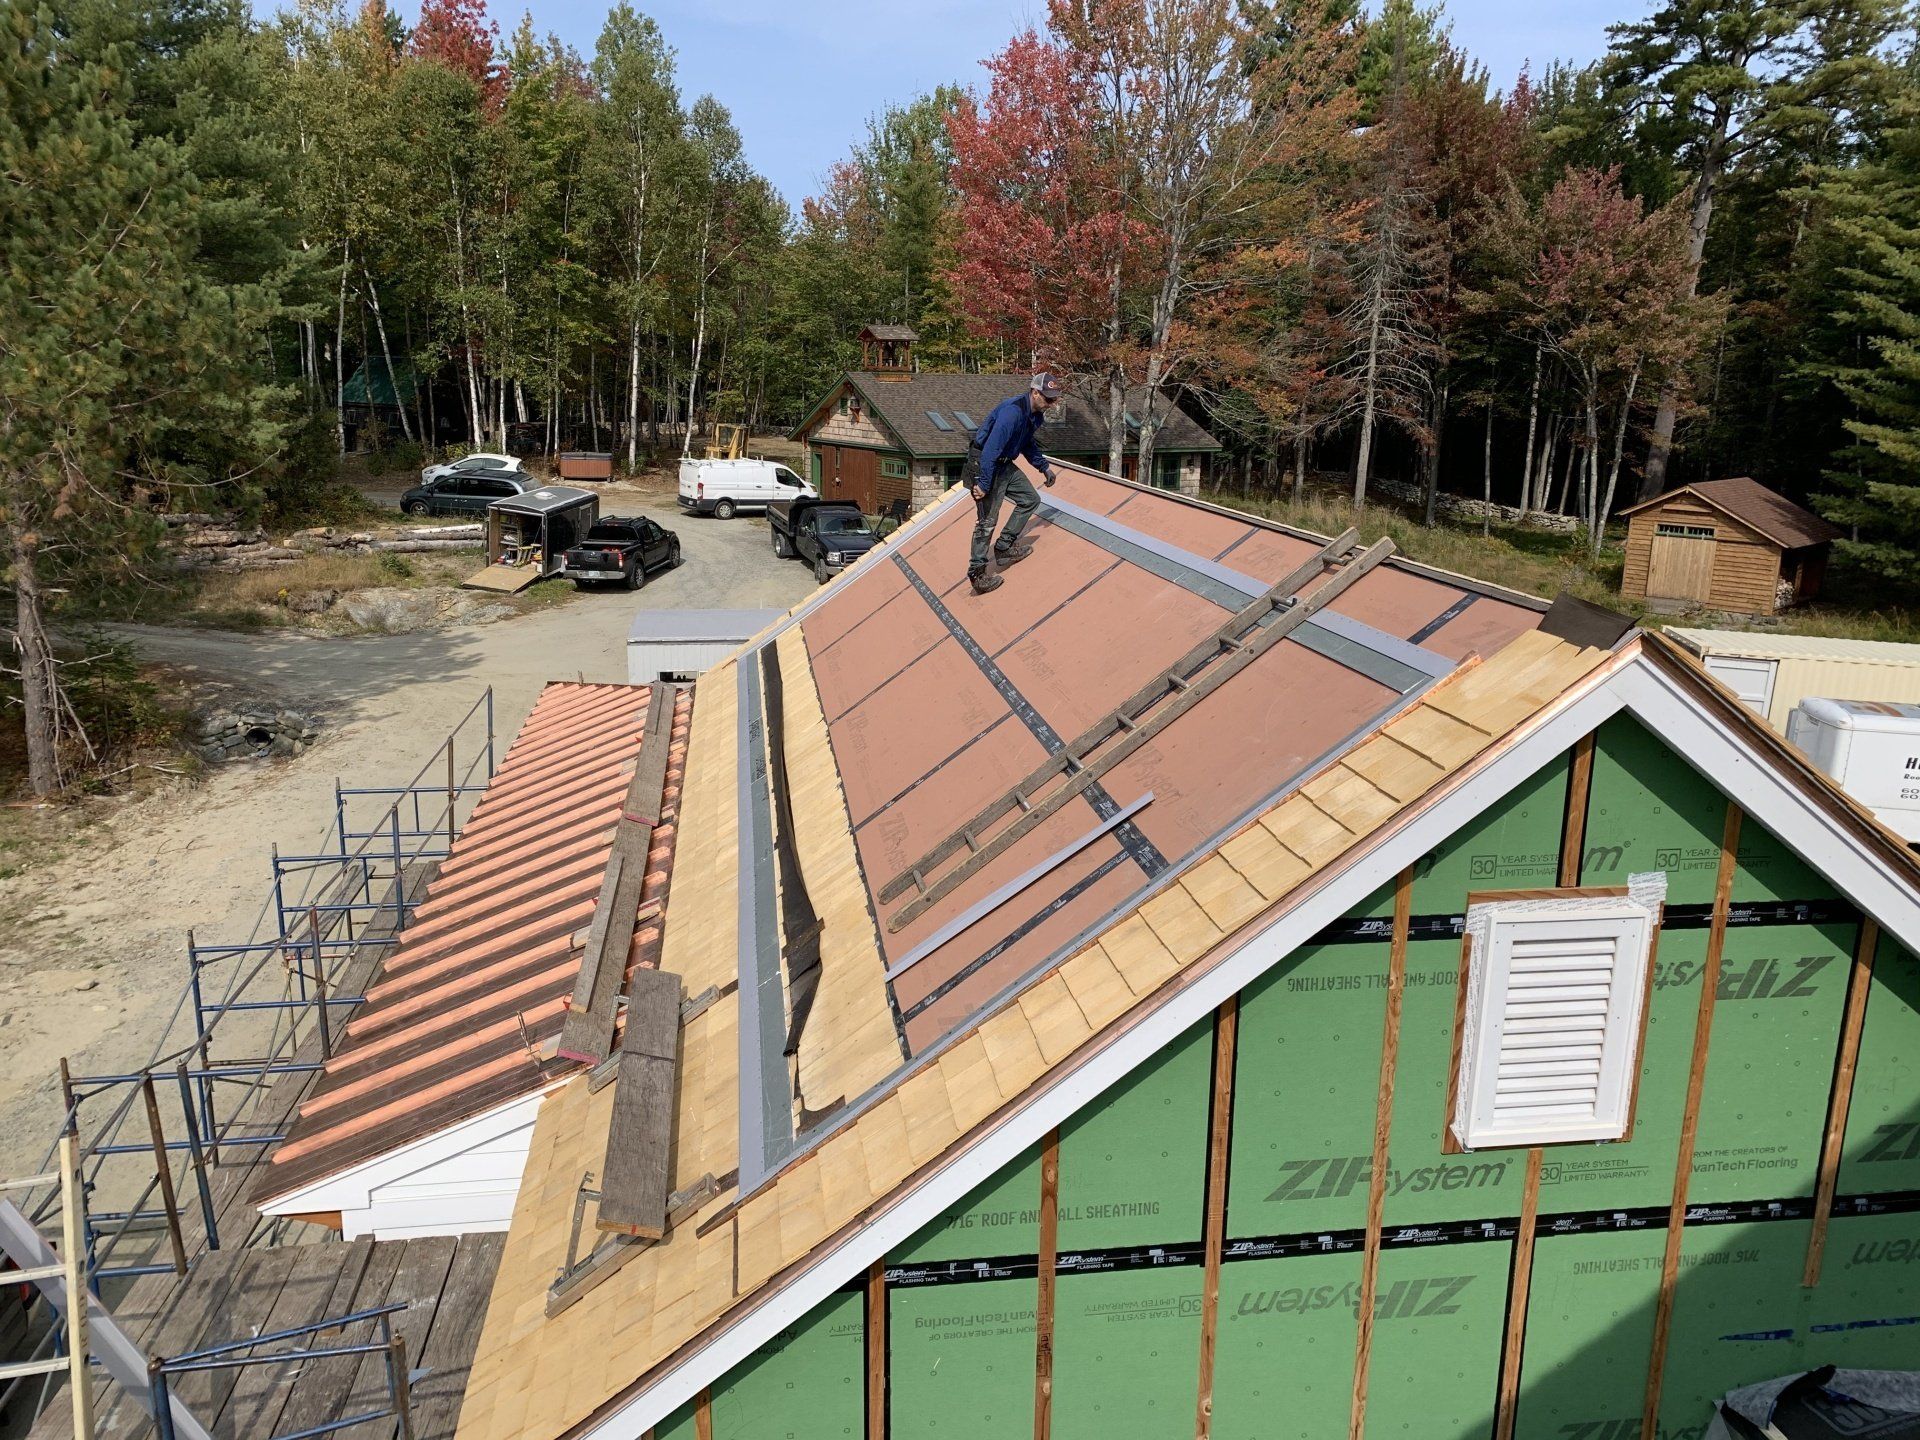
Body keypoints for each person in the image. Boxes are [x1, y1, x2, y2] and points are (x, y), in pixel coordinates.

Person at [963, 372, 1065, 594]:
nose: (1052, 403)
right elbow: (991, 449)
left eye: (1054, 398)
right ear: (1035, 392)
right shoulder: (1012, 412)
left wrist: (1043, 467)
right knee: (987, 521)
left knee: (1030, 499)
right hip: (984, 464)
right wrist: (983, 483)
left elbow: (1027, 444)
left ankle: (1003, 548)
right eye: (1048, 398)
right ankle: (977, 574)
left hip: (1004, 463)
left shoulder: (1035, 415)